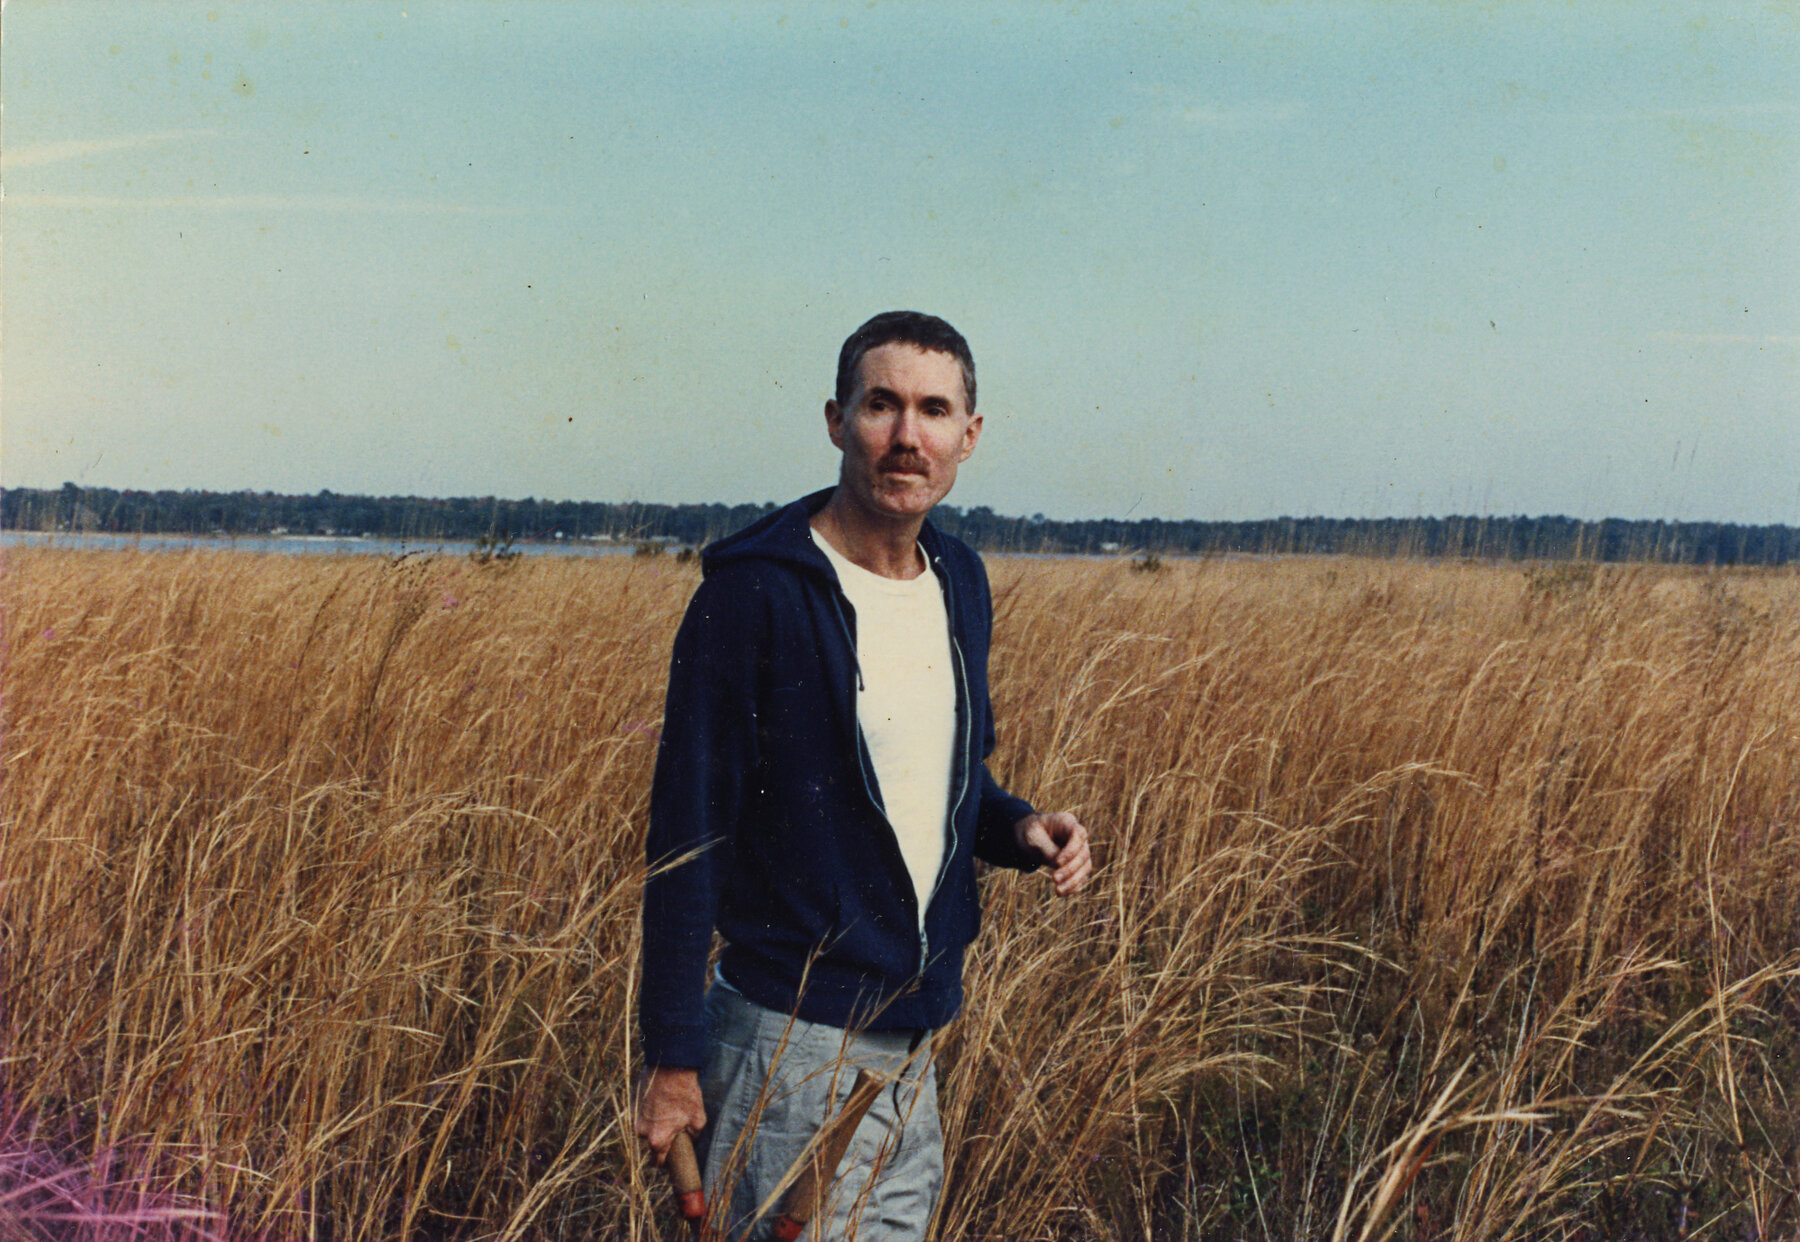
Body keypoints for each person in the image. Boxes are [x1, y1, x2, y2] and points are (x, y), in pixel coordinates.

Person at [635, 311, 1092, 1240]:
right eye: (881, 404)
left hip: (912, 1049)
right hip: (784, 1045)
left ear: (969, 436)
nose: (906, 435)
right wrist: (674, 1060)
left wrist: (1016, 828)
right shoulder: (755, 592)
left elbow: (938, 781)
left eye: (933, 410)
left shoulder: (957, 579)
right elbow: (687, 841)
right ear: (837, 418)